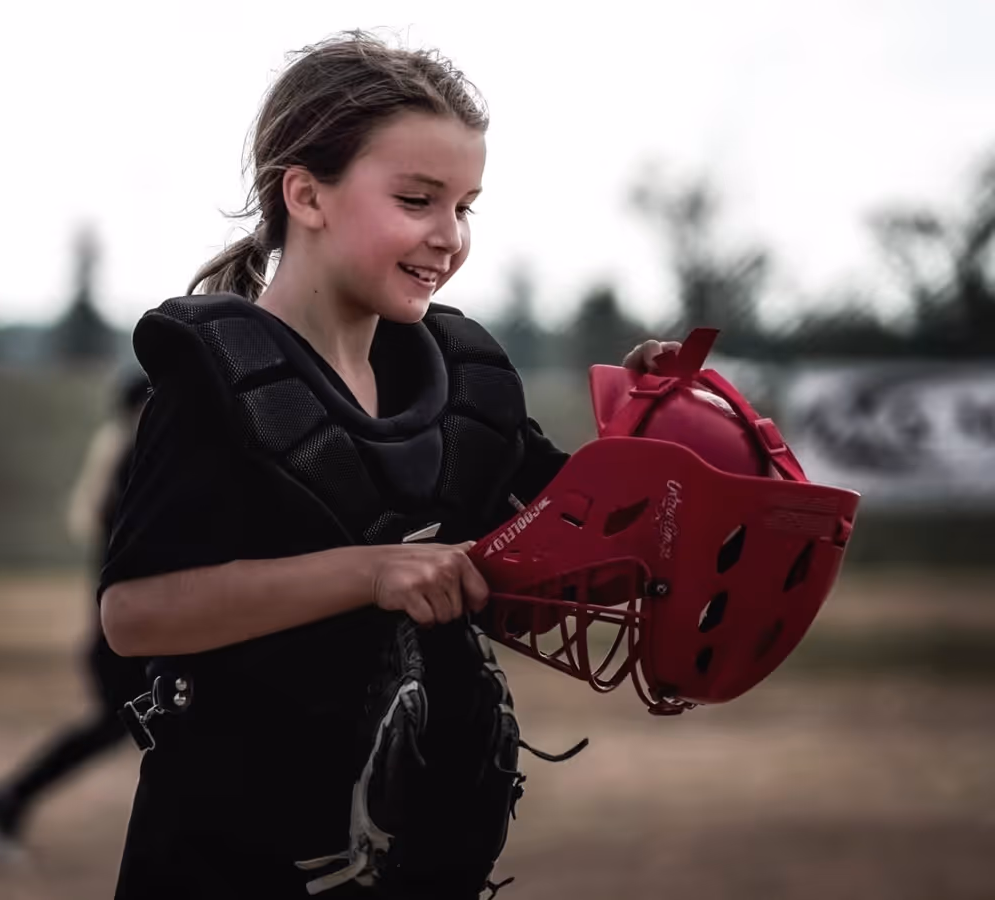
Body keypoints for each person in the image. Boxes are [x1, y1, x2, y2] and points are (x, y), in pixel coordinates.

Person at [99, 31, 678, 900]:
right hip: (223, 861)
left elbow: (579, 544)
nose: (448, 237)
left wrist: (656, 433)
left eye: (466, 206)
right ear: (307, 194)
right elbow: (135, 615)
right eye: (417, 199)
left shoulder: (463, 391)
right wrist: (371, 571)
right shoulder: (217, 385)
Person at [0, 372, 152, 860]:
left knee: (121, 731)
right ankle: (7, 799)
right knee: (141, 734)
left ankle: (9, 799)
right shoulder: (134, 468)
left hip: (119, 638)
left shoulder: (125, 464)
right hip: (124, 640)